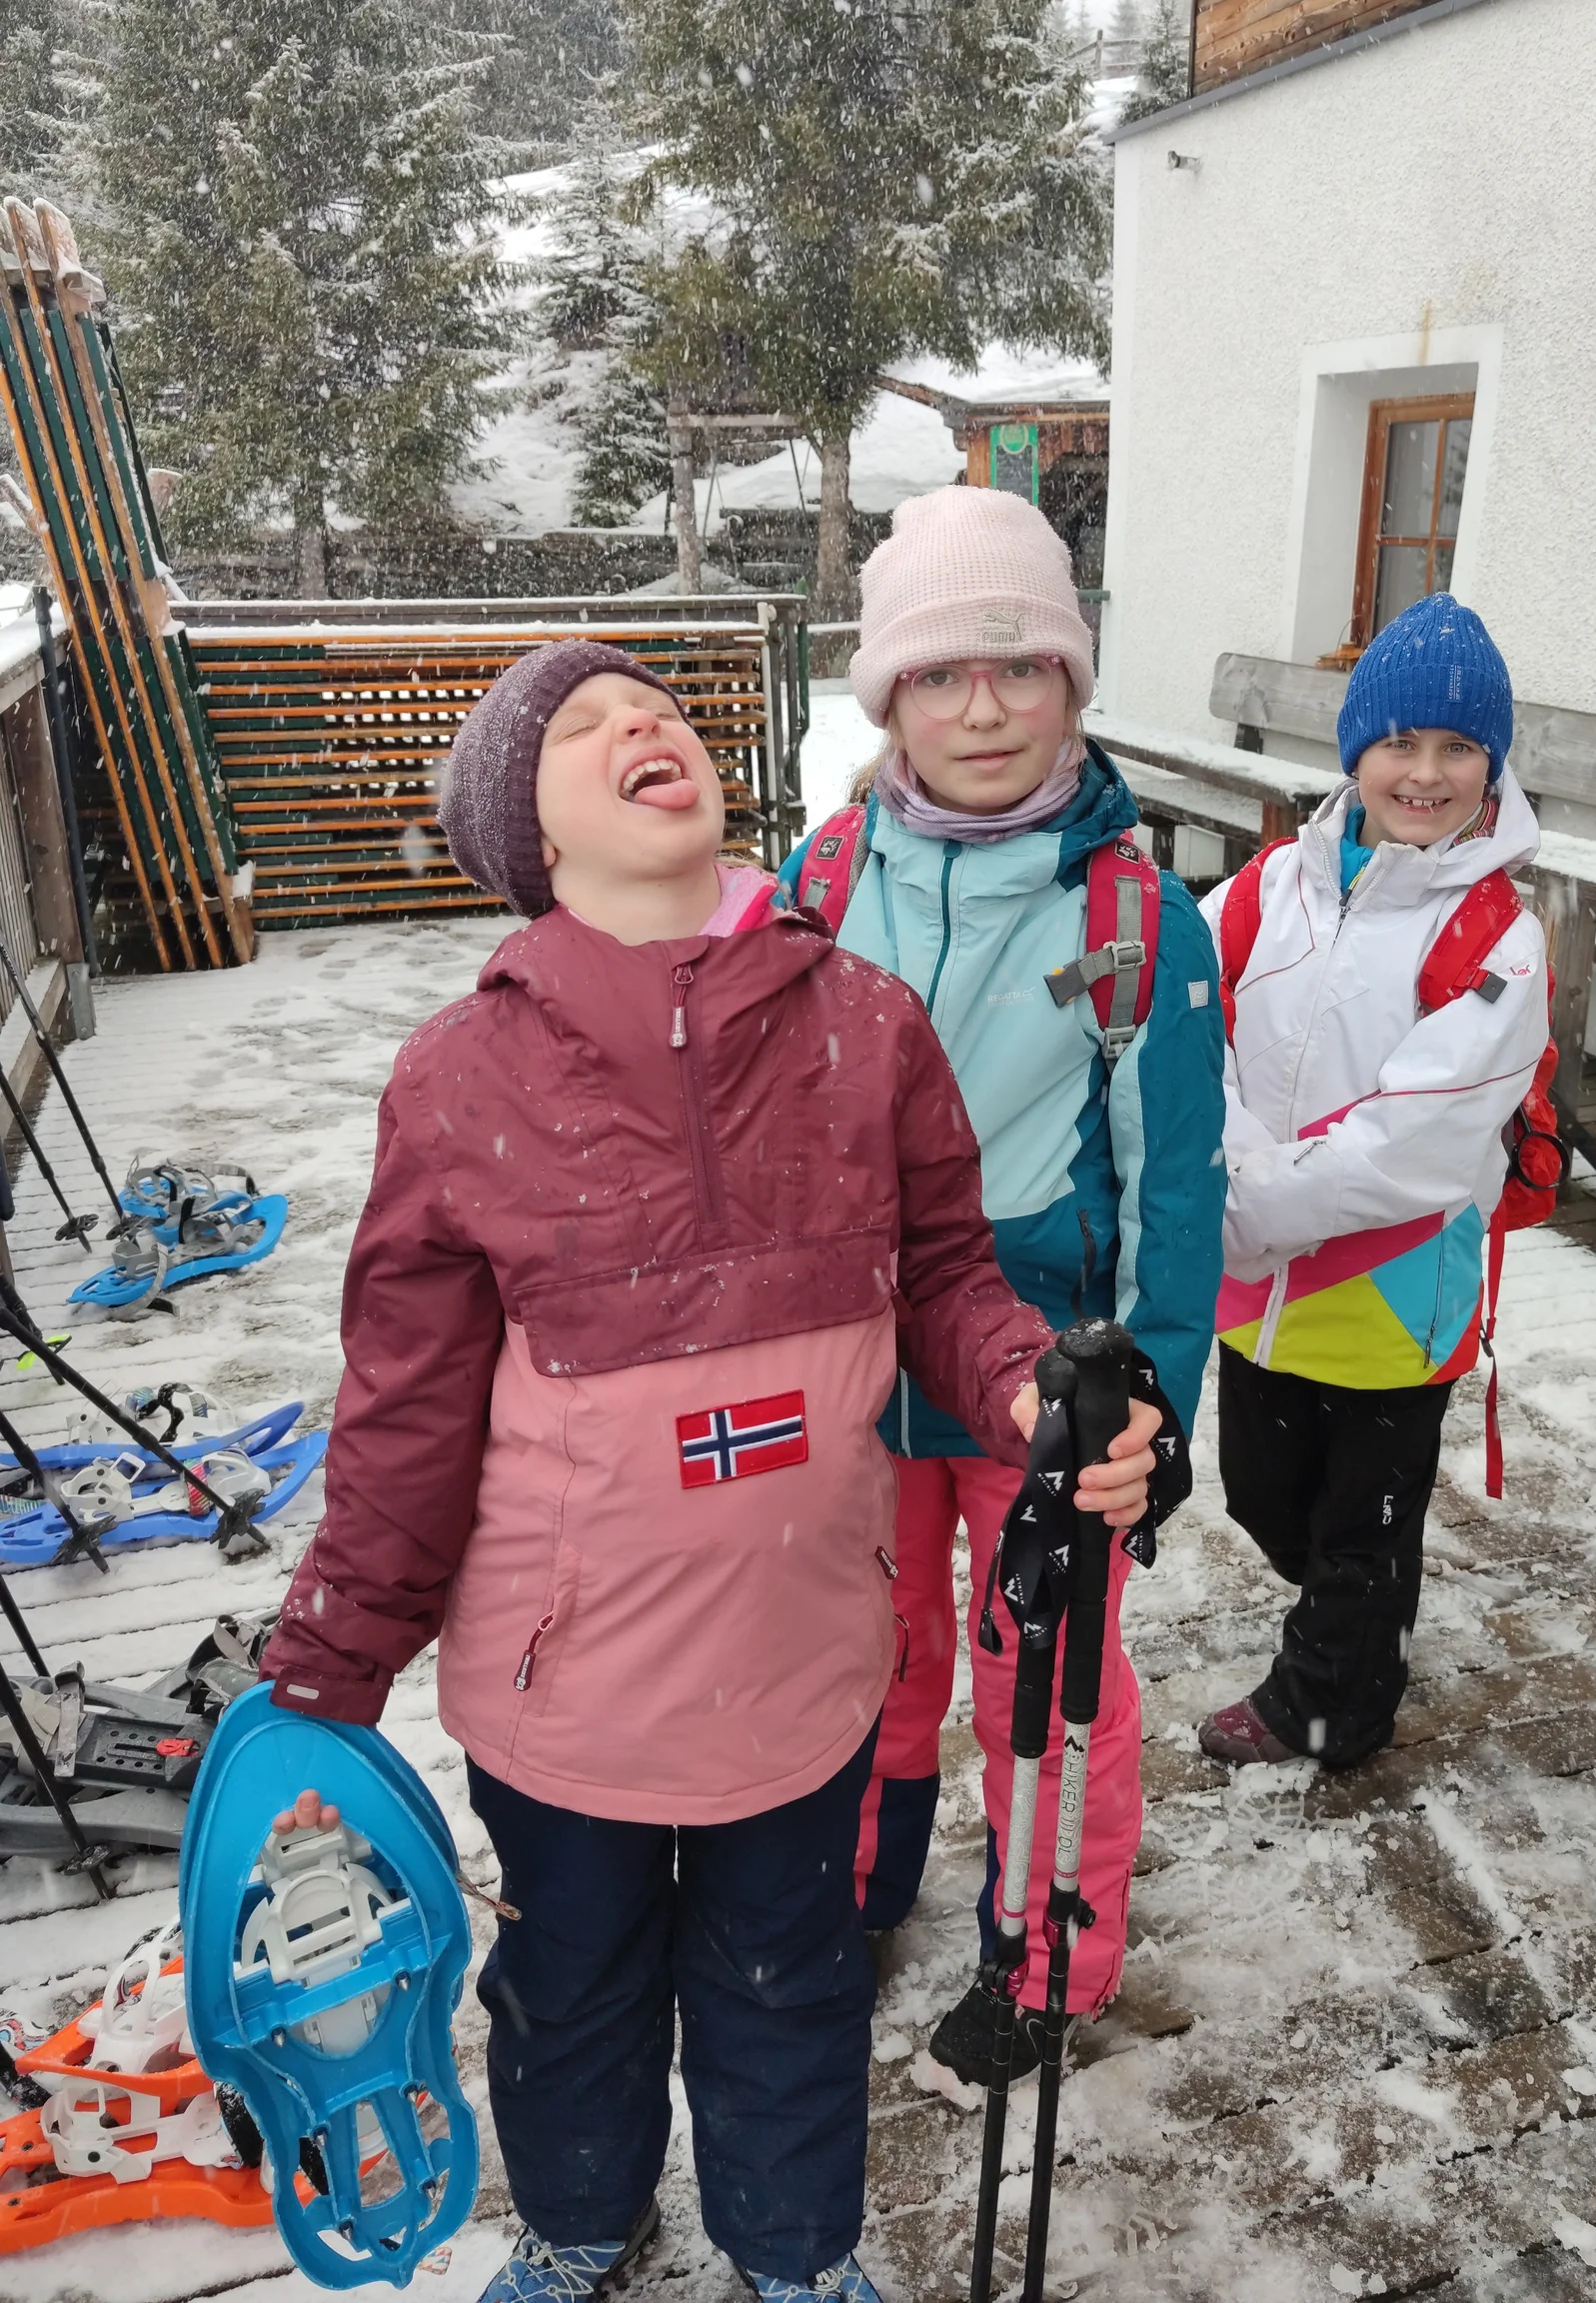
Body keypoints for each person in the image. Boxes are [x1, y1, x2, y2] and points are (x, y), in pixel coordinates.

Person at [258, 641, 1164, 2303]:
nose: (643, 725)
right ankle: (582, 2225)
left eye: (657, 707)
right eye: (586, 728)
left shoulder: (866, 1027)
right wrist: (329, 1656)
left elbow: (955, 1277)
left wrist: (1036, 1391)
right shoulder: (461, 1082)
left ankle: (798, 2252)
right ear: (523, 837)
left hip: (800, 1669)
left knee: (789, 1984)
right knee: (572, 1988)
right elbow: (405, 1401)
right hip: (565, 1692)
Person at [780, 487, 1225, 2084]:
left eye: (1024, 669)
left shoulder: (1133, 920)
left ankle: (1047, 1950)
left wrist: (1148, 1423)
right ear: (889, 692)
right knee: (864, 1645)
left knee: (1037, 1672)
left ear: (1073, 688)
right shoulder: (820, 885)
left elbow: (1179, 1195)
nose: (985, 709)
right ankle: (862, 1876)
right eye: (945, 675)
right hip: (849, 1368)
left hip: (1042, 1381)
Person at [1193, 593, 1550, 1774]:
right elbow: (1193, 1022)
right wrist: (1238, 1163)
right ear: (1356, 750)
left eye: (1459, 748)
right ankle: (1363, 1616)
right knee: (1260, 1496)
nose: (1428, 773)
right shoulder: (1268, 887)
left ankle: (1333, 1700)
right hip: (1264, 1285)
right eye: (1401, 741)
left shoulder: (1498, 932)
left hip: (1398, 1296)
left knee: (1359, 1524)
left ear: (1492, 762)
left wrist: (1242, 1204)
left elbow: (1422, 1137)